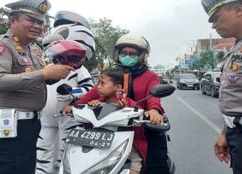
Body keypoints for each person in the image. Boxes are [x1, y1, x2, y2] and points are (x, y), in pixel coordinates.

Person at [0, 0, 74, 174]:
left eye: (41, 22)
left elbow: (33, 79)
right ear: (12, 20)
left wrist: (53, 76)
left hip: (27, 124)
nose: (38, 26)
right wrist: (44, 74)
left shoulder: (32, 49)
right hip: (8, 124)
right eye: (31, 20)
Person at [64, 33, 169, 173]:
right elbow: (93, 93)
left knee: (156, 163)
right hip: (107, 127)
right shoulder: (111, 76)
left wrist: (154, 110)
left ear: (142, 56)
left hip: (140, 126)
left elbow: (152, 96)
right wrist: (74, 107)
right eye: (124, 53)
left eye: (132, 54)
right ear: (118, 54)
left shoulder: (150, 76)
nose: (127, 56)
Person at [201, 0, 242, 174]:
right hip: (240, 134)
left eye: (216, 17)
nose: (213, 25)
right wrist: (226, 132)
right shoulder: (239, 47)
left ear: (239, 10)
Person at [36, 11, 95, 174]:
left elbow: (90, 90)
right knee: (43, 150)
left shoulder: (79, 69)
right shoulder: (45, 68)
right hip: (45, 116)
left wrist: (71, 92)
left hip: (68, 117)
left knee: (67, 151)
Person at [84, 67, 147, 174]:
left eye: (102, 83)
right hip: (101, 143)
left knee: (135, 161)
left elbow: (139, 131)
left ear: (117, 87)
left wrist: (127, 112)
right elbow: (88, 125)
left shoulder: (131, 105)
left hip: (125, 145)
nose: (98, 87)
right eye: (98, 83)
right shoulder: (98, 103)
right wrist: (91, 108)